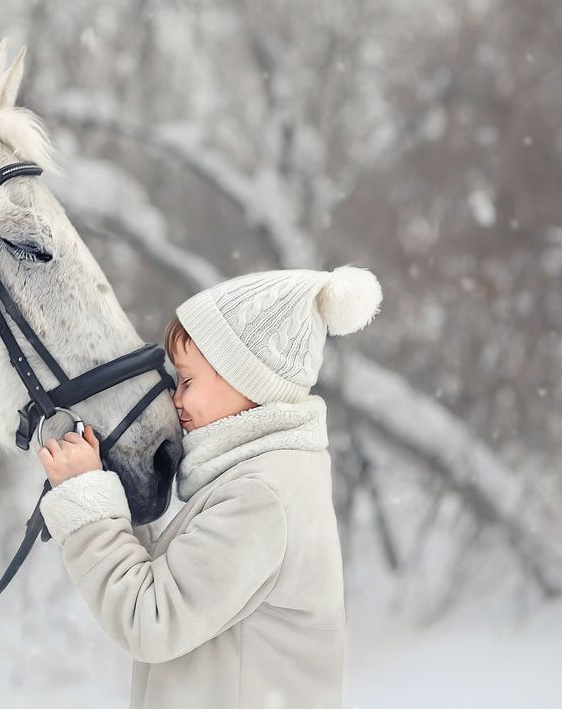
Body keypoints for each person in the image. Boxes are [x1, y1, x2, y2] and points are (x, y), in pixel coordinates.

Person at [37, 265, 383, 709]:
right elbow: (171, 591)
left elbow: (152, 618)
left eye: (187, 380)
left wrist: (88, 505)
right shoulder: (264, 478)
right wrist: (104, 486)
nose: (176, 398)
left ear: (247, 380)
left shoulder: (261, 496)